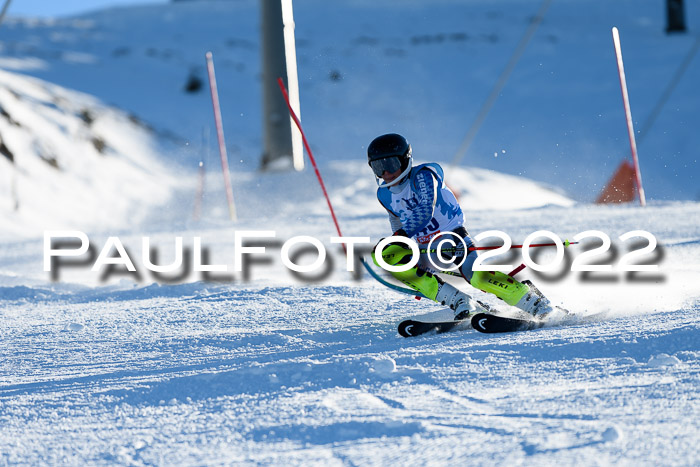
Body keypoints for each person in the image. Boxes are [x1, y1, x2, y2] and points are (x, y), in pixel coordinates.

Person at [368, 133, 552, 319]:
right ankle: (458, 301)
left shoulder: (423, 176)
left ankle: (533, 302)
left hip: (452, 239)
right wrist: (400, 244)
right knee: (384, 255)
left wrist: (401, 236)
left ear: (405, 159)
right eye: (378, 167)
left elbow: (425, 209)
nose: (386, 173)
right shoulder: (384, 194)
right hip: (424, 249)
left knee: (477, 276)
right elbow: (396, 220)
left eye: (391, 165)